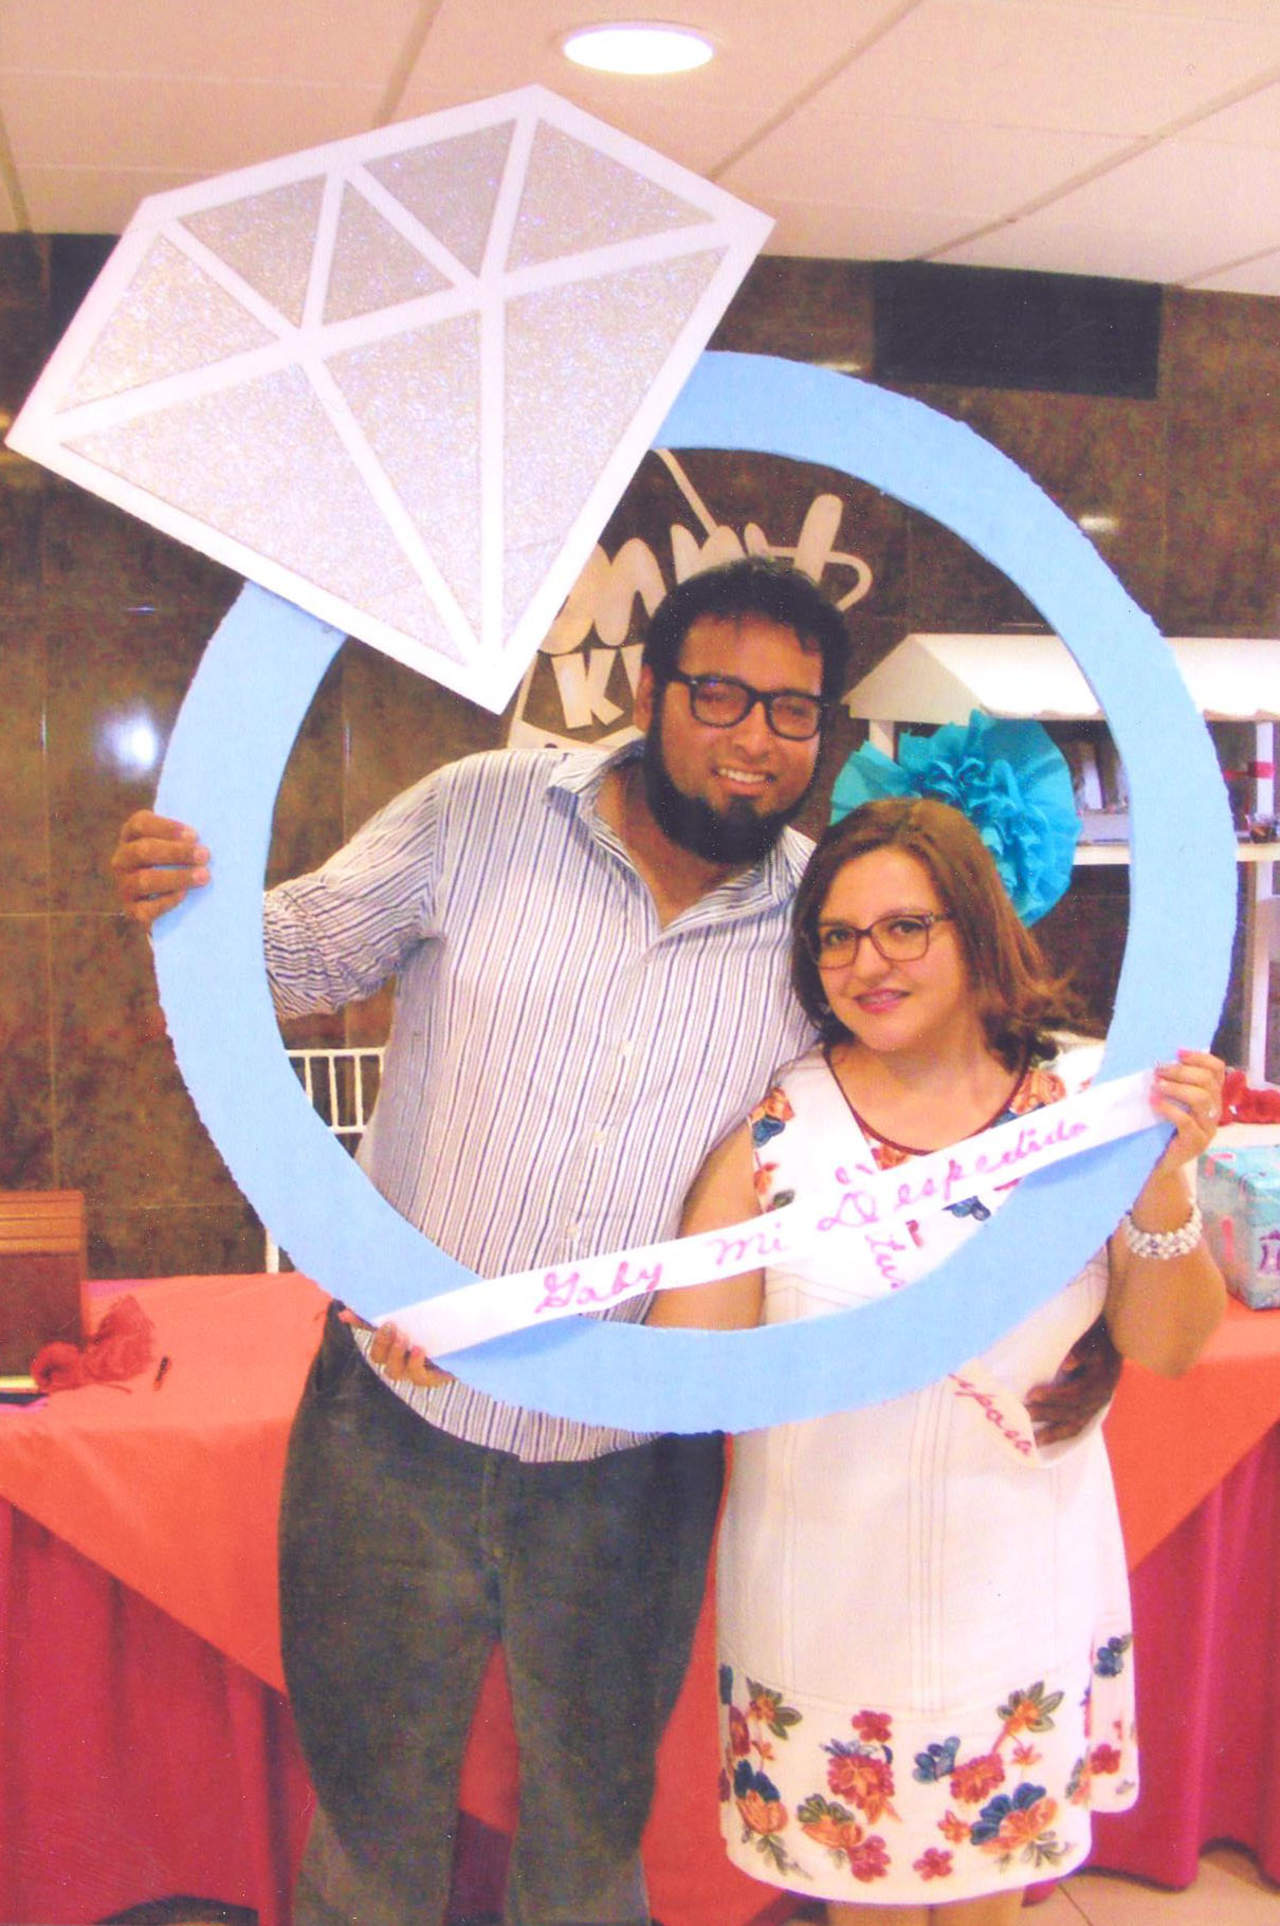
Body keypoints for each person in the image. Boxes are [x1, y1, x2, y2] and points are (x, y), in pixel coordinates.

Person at [110, 562, 1117, 1926]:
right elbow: (287, 960)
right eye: (720, 695)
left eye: (792, 711)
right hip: (395, 1418)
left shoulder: (825, 927)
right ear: (650, 692)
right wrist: (188, 900)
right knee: (368, 1814)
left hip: (630, 1462)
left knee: (589, 1834)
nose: (754, 737)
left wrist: (1086, 1277)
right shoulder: (476, 811)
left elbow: (931, 1112)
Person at [651, 795, 1225, 1924]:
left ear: (974, 926)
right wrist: (484, 1343)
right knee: (857, 1899)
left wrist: (1161, 1183)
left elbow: (1167, 1345)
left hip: (1014, 1596)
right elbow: (678, 1368)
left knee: (988, 1904)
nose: (867, 963)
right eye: (837, 936)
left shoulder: (1089, 1105)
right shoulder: (780, 1127)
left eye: (904, 927)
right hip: (823, 1603)